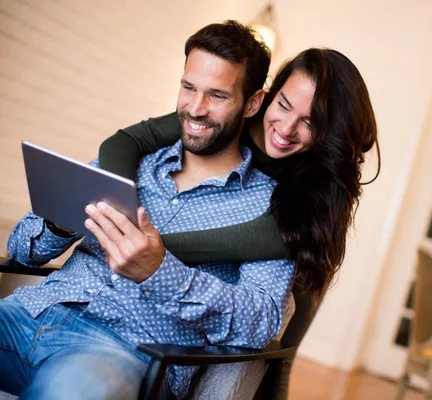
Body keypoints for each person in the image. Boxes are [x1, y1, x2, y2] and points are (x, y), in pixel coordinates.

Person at [0, 20, 295, 400]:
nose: (195, 108)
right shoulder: (133, 160)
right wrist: (59, 220)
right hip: (28, 313)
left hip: (117, 351)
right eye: (188, 88)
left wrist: (161, 273)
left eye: (217, 96)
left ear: (252, 102)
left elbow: (261, 320)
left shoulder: (267, 206)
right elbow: (22, 251)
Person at [99, 46, 381, 304]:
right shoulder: (231, 115)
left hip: (297, 274)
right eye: (283, 105)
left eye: (310, 123)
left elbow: (267, 238)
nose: (286, 128)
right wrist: (119, 213)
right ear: (269, 97)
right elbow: (123, 142)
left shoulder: (322, 179)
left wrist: (144, 249)